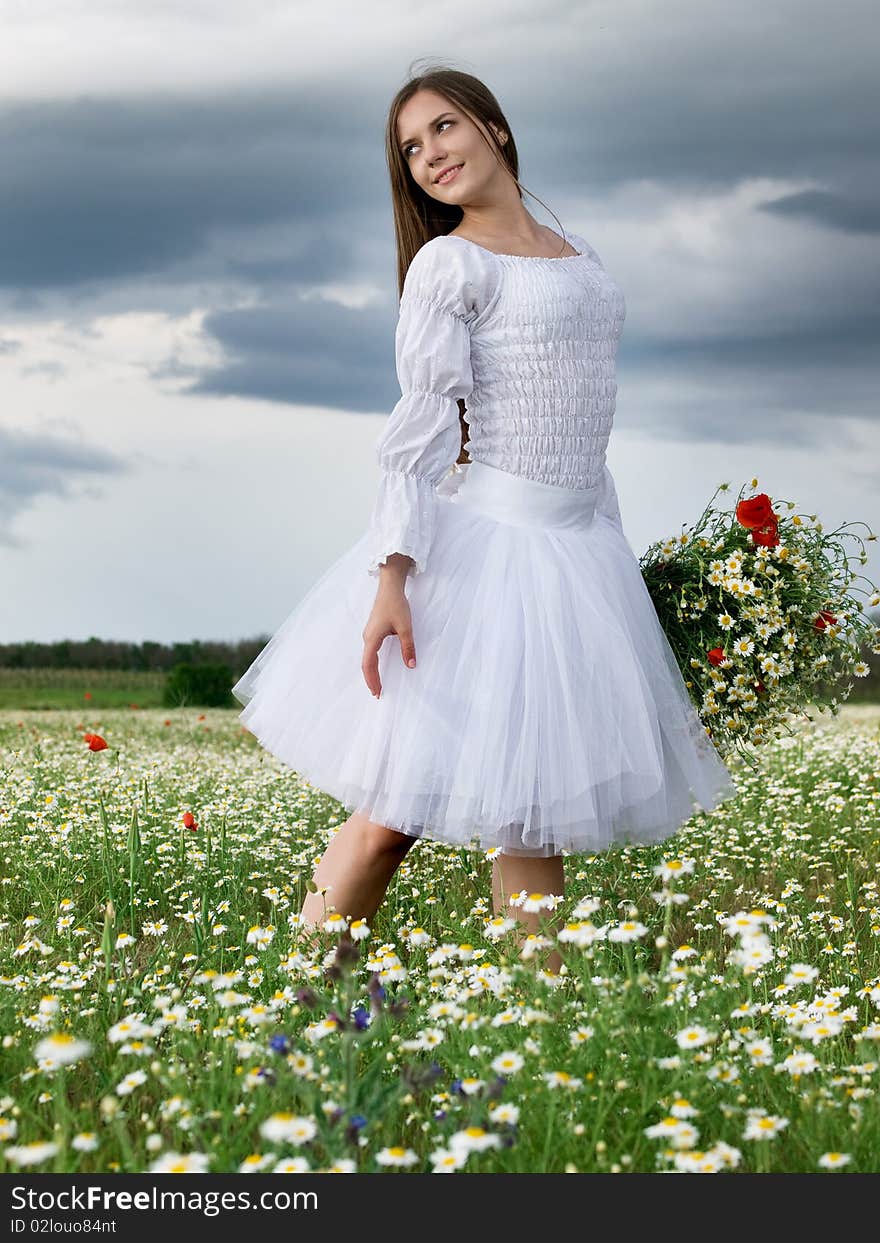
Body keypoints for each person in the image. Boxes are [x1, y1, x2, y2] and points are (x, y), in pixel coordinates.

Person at [231, 66, 739, 976]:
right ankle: (295, 997)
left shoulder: (582, 256)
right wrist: (393, 577)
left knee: (528, 812)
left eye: (443, 129)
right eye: (411, 150)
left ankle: (535, 1032)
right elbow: (419, 430)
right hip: (474, 559)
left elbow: (589, 428)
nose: (430, 156)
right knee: (389, 815)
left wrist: (618, 568)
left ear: (495, 130)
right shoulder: (449, 263)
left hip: (576, 556)